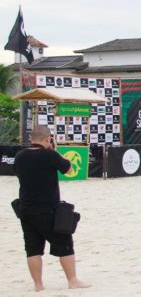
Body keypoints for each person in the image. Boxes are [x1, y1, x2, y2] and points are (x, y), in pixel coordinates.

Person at [13, 125, 90, 292]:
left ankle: (38, 285)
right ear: (48, 140)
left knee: (32, 249)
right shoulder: (50, 155)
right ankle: (72, 280)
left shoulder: (20, 156)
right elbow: (68, 168)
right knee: (65, 244)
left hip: (26, 210)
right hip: (49, 210)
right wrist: (55, 151)